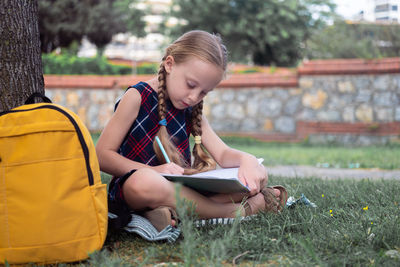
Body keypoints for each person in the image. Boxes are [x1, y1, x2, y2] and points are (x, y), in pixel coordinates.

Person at [96, 30, 287, 231]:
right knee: (143, 183)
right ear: (169, 64)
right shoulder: (137, 96)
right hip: (136, 187)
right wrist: (153, 171)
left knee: (258, 172)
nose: (194, 97)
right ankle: (231, 212)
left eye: (204, 92)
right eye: (191, 85)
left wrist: (248, 161)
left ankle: (169, 212)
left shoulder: (191, 109)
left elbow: (222, 153)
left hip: (181, 189)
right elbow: (102, 155)